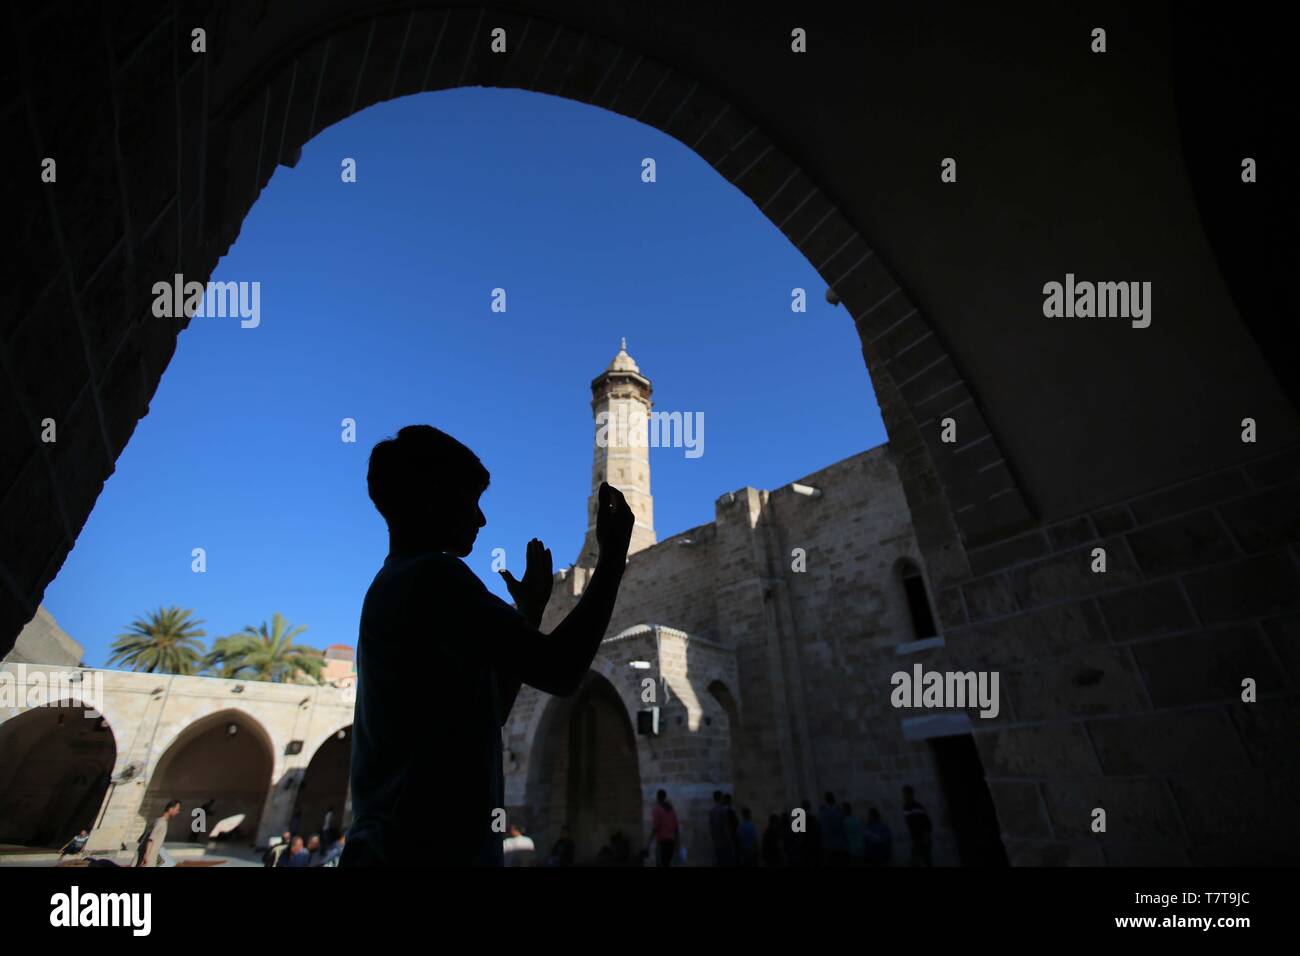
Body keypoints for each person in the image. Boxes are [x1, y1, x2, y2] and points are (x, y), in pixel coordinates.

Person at [341, 426, 634, 868]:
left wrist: (530, 616)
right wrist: (613, 562)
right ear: (431, 496)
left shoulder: (394, 583)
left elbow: (490, 709)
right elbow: (561, 670)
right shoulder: (434, 578)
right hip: (421, 852)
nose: (481, 519)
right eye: (470, 499)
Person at [135, 799, 180, 867]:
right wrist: (146, 856)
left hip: (151, 857)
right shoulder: (161, 823)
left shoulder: (158, 821)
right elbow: (150, 839)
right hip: (148, 859)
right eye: (177, 809)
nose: (177, 812)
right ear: (170, 809)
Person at [902, 785, 932, 866]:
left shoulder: (916, 806)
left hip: (921, 838)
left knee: (924, 860)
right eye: (904, 794)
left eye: (905, 794)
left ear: (910, 794)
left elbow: (926, 822)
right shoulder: (906, 807)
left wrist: (925, 835)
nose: (904, 796)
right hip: (917, 838)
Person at [649, 789, 679, 867]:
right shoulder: (671, 810)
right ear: (665, 797)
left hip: (662, 842)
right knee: (667, 863)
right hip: (671, 842)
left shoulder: (657, 810)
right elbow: (676, 827)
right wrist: (677, 842)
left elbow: (655, 827)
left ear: (657, 797)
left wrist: (648, 843)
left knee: (661, 863)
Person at [819, 791, 847, 866]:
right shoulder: (839, 811)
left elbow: (823, 830)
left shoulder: (824, 814)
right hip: (840, 846)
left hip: (830, 847)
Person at [709, 791, 735, 866]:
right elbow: (725, 827)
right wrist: (730, 841)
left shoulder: (712, 811)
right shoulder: (722, 811)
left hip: (716, 841)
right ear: (720, 798)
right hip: (723, 841)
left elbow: (711, 827)